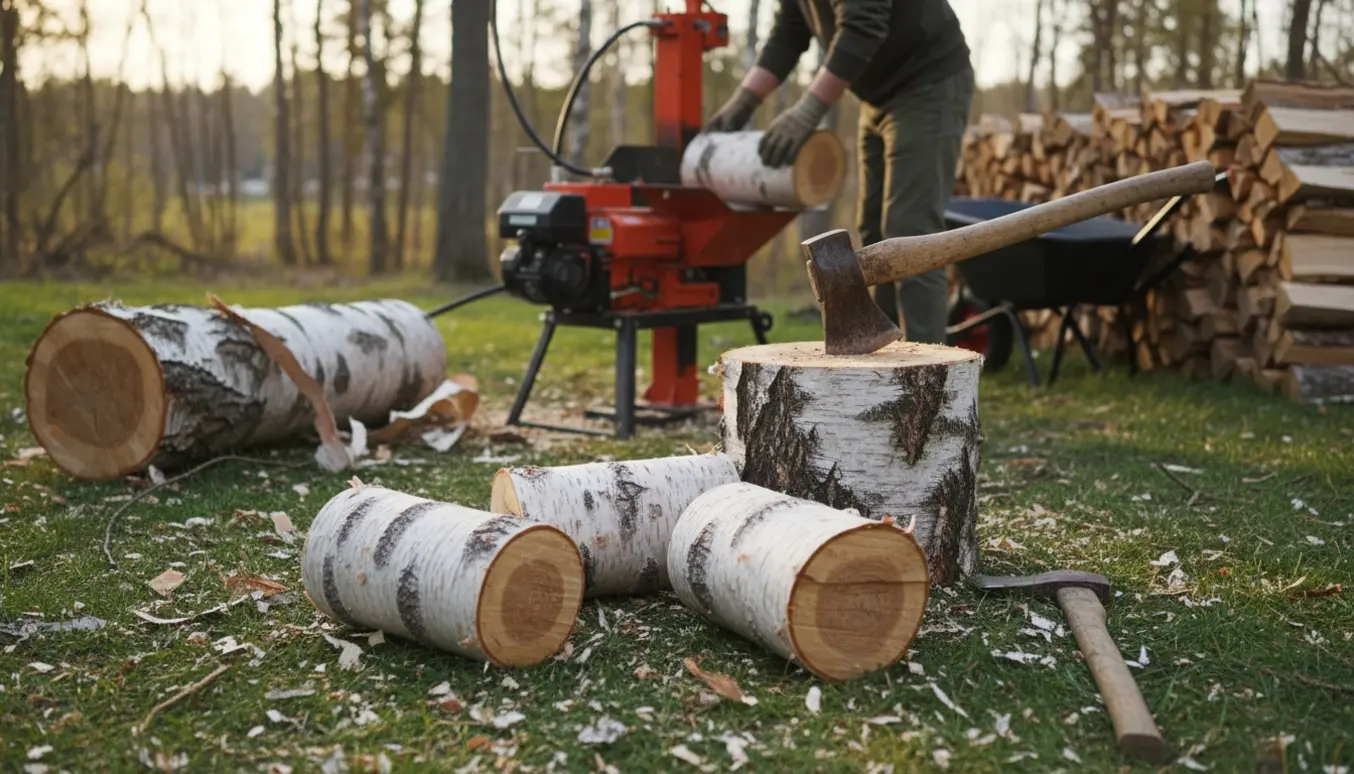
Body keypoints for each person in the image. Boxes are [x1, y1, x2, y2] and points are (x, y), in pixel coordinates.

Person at [704, 0, 974, 345]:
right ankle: (893, 364)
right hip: (876, 98)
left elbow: (862, 29)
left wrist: (807, 111)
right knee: (875, 231)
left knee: (911, 230)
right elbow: (789, 31)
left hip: (929, 82)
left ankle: (934, 379)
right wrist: (744, 101)